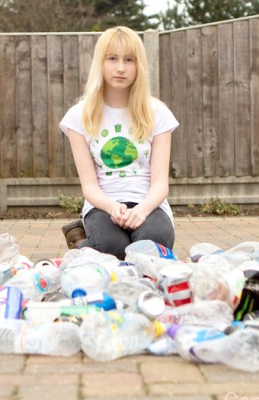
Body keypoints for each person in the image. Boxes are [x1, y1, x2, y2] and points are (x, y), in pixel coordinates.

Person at [59, 26, 180, 260]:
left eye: (129, 60)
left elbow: (160, 184)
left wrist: (142, 210)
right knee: (111, 250)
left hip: (149, 203)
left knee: (152, 245)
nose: (121, 68)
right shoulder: (78, 116)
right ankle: (83, 239)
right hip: (103, 204)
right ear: (100, 64)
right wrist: (112, 207)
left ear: (139, 66)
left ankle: (87, 245)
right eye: (112, 58)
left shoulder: (158, 113)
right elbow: (90, 187)